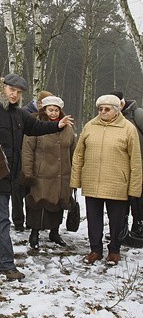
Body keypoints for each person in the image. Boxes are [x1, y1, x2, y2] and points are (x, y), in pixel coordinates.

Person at [0, 73, 74, 280]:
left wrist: (56, 125)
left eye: (19, 92)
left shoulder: (18, 113)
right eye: (11, 90)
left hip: (9, 174)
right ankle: (6, 264)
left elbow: (35, 127)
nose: (15, 95)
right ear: (2, 88)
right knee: (2, 218)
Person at [70, 94, 142, 266]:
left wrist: (134, 188)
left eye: (107, 109)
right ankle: (95, 249)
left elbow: (136, 161)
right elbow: (78, 154)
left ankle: (114, 250)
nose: (103, 112)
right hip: (92, 181)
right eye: (100, 109)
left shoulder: (128, 129)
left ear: (117, 110)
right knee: (93, 219)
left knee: (116, 221)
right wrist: (75, 180)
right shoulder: (89, 126)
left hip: (117, 183)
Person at [21, 96, 76, 249]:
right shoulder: (35, 126)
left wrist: (75, 173)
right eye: (50, 109)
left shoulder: (67, 127)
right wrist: (27, 173)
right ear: (44, 110)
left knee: (58, 203)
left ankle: (54, 232)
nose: (53, 113)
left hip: (61, 175)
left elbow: (73, 151)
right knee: (38, 205)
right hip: (42, 175)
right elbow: (27, 151)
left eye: (56, 110)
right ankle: (34, 233)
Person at [14, 90, 53, 231]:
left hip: (37, 163)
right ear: (39, 103)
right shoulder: (23, 113)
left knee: (32, 193)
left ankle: (31, 222)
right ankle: (18, 221)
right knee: (18, 193)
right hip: (19, 157)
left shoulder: (46, 117)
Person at [110, 90, 143, 246]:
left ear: (122, 103)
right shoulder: (111, 117)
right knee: (121, 202)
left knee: (138, 200)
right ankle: (120, 232)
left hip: (138, 165)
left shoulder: (138, 116)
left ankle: (138, 229)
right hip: (119, 168)